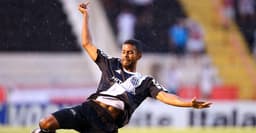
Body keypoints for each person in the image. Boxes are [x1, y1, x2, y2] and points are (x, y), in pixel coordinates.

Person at [32, 2, 212, 133]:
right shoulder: (109, 63)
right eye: (124, 51)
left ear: (138, 56)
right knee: (46, 124)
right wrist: (86, 16)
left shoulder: (144, 82)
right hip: (87, 110)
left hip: (107, 126)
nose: (125, 54)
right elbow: (87, 43)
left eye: (130, 52)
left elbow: (165, 97)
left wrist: (188, 103)